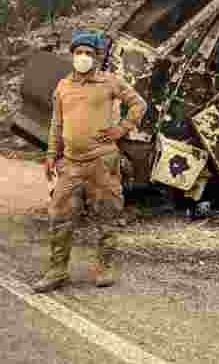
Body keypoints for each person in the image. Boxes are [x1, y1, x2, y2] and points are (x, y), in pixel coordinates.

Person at [33, 31, 148, 293]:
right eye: (78, 53)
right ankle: (57, 270)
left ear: (96, 57)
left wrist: (122, 129)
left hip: (102, 162)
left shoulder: (109, 82)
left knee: (107, 216)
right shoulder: (63, 86)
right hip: (70, 164)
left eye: (88, 53)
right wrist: (51, 154)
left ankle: (104, 266)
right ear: (72, 55)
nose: (83, 57)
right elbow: (56, 124)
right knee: (60, 217)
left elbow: (138, 104)